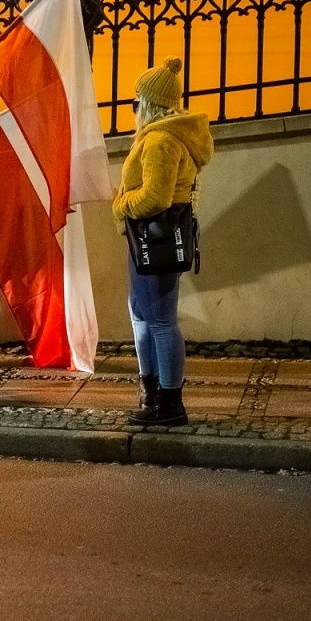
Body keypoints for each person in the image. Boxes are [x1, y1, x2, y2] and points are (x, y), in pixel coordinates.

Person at [112, 57, 214, 426]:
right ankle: (152, 394)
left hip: (155, 238)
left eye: (135, 102)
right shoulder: (161, 137)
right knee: (144, 316)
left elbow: (156, 197)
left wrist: (120, 205)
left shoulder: (159, 141)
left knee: (160, 321)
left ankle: (170, 404)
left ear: (148, 104)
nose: (133, 109)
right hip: (150, 238)